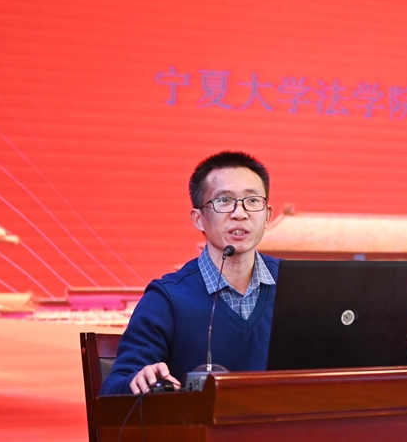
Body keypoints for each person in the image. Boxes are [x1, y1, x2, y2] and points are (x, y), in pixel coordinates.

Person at [100, 151, 281, 395]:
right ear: (198, 218)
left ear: (267, 215)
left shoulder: (297, 287)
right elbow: (113, 390)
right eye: (224, 200)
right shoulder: (166, 299)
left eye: (252, 200)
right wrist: (141, 381)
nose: (240, 213)